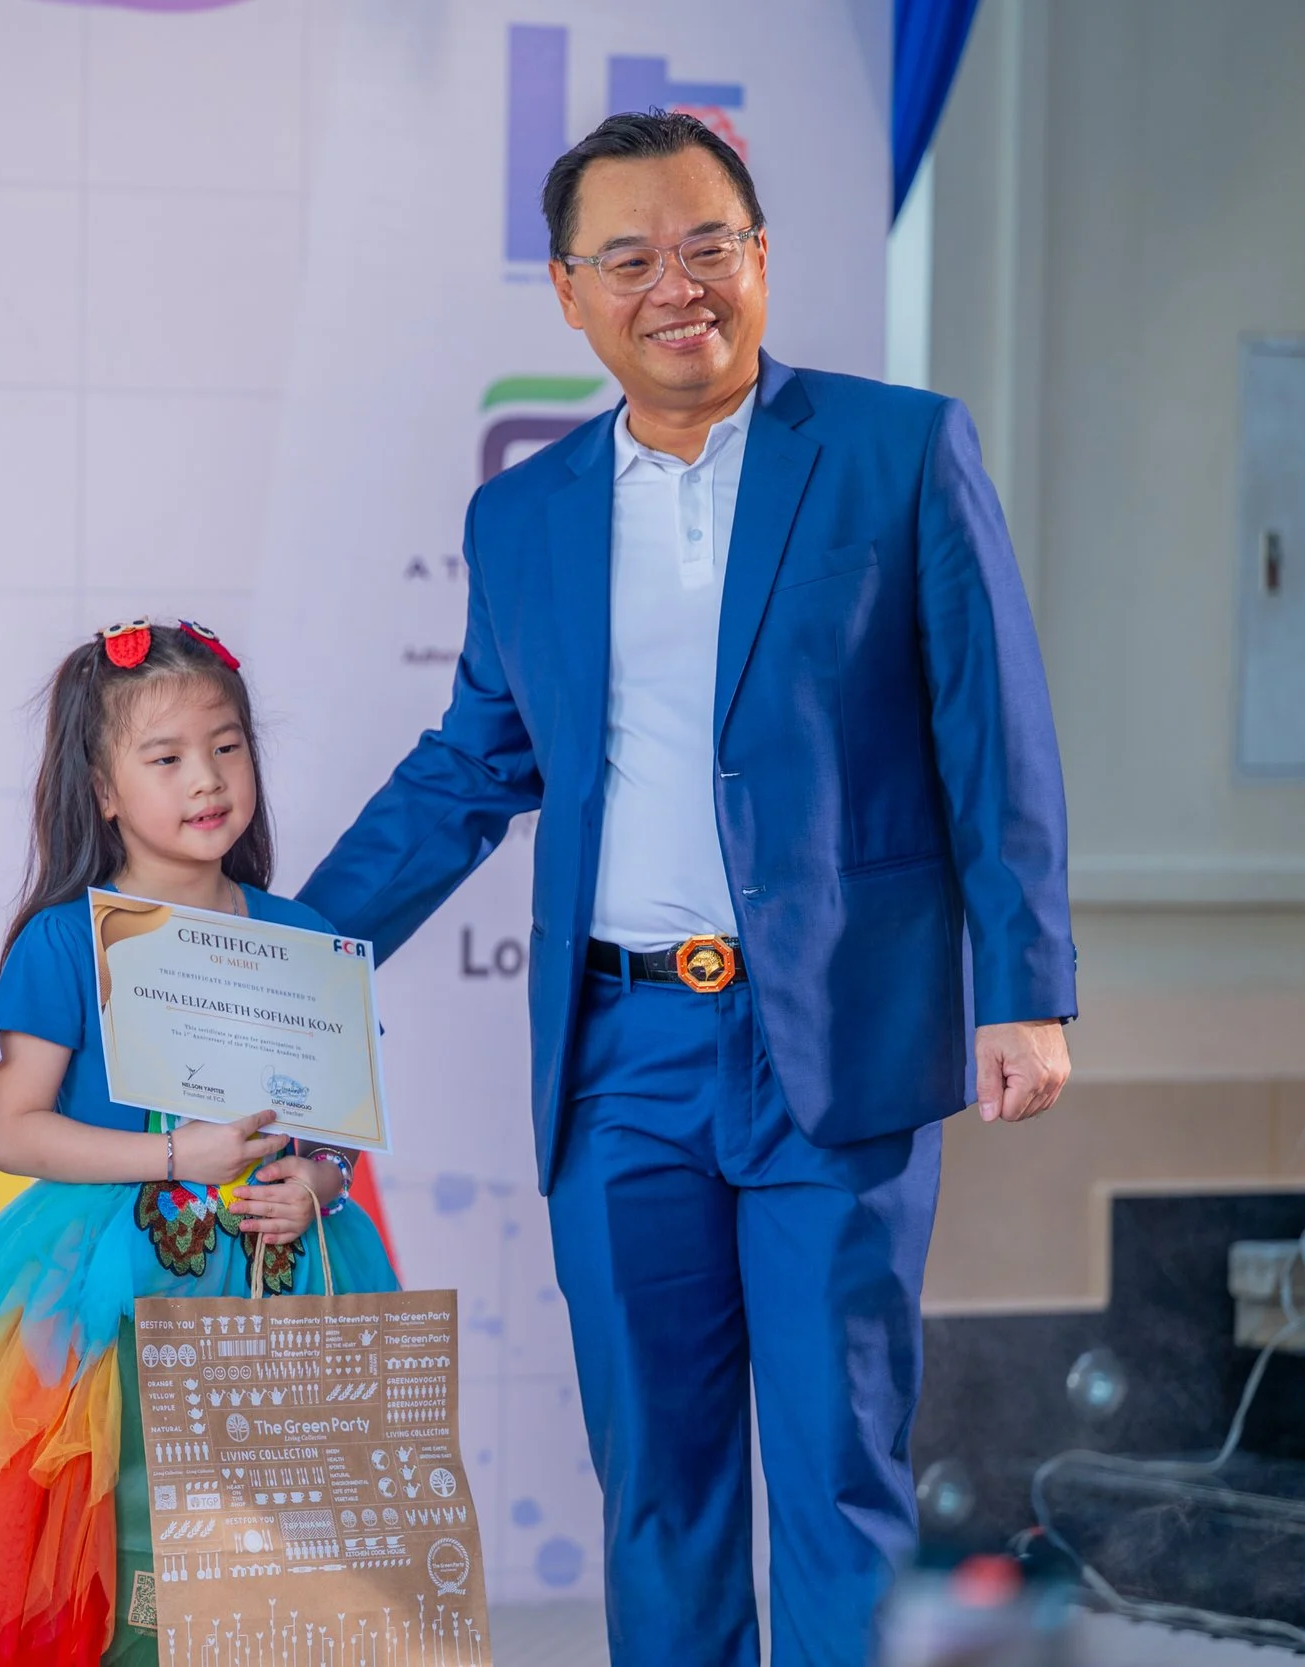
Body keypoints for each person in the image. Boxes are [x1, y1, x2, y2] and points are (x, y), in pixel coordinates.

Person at [296, 111, 1077, 1667]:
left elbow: (996, 731)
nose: (679, 284)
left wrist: (1029, 985)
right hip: (622, 1059)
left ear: (763, 259)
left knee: (839, 1467)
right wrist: (290, 951)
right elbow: (474, 764)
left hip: (835, 1046)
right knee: (659, 1480)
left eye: (709, 244)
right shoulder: (520, 514)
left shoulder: (895, 448)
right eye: (631, 257)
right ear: (574, 295)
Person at [0, 622, 400, 1667]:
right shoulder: (63, 937)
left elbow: (335, 1129)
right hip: (114, 1280)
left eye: (227, 745)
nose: (207, 778)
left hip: (285, 1270)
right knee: (137, 1546)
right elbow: (13, 1129)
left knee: (277, 1556)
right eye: (166, 757)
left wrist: (319, 1181)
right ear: (101, 789)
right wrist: (169, 1159)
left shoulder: (302, 931)